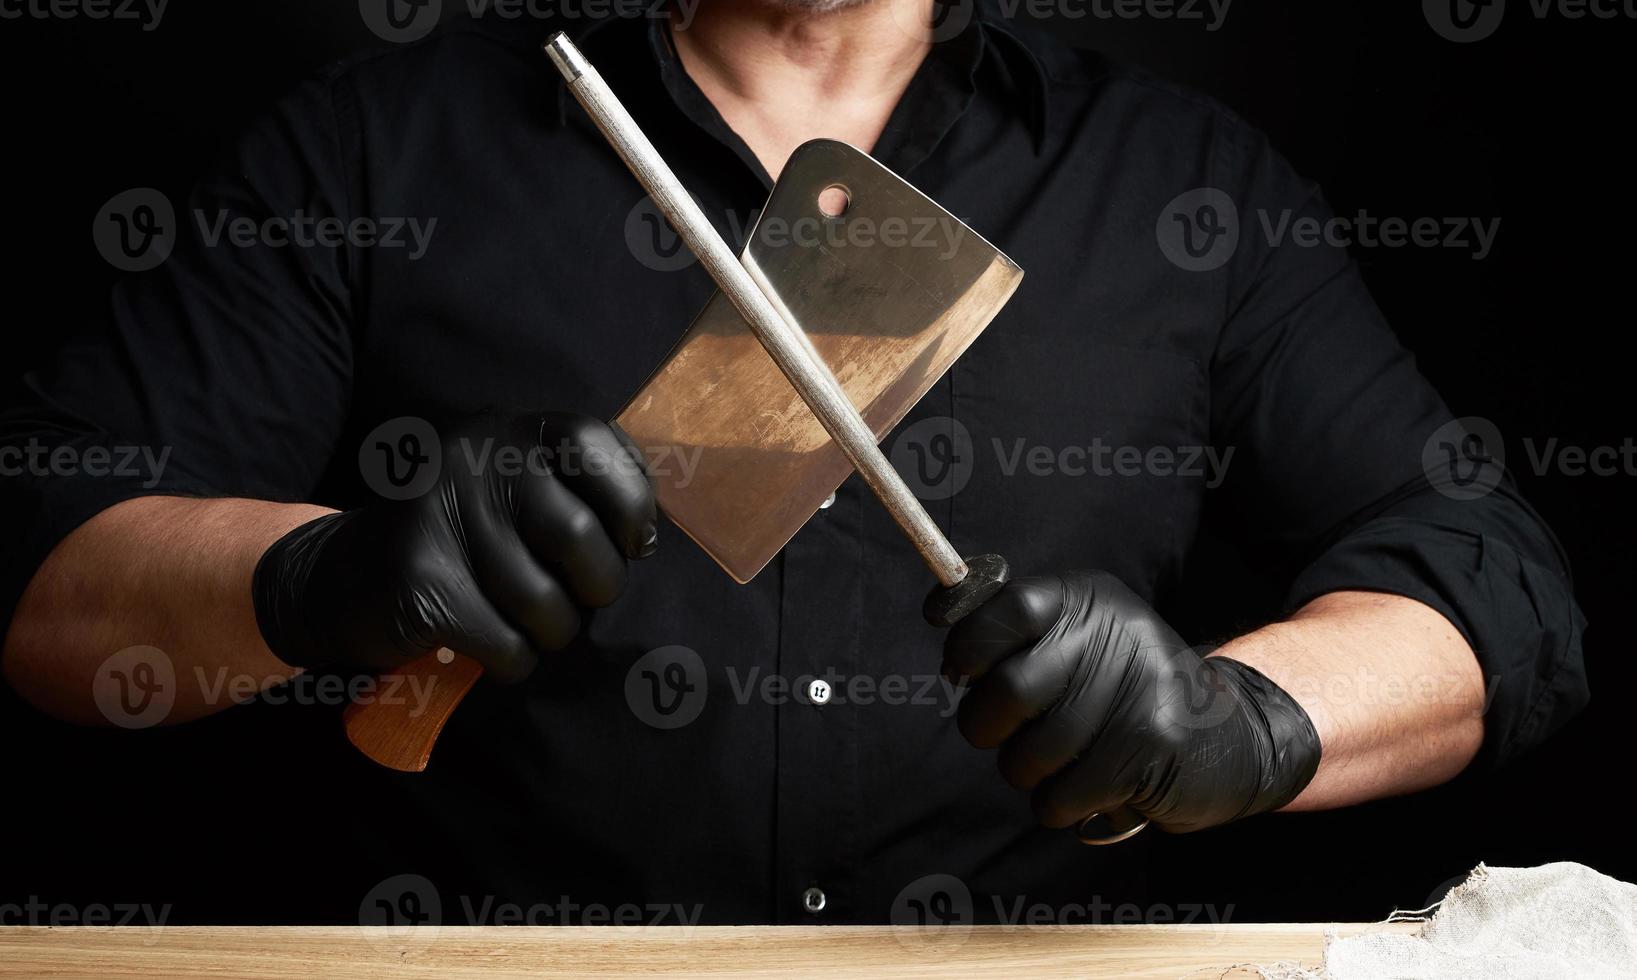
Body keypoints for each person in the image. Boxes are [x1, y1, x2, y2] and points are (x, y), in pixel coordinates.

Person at [0, 0, 1586, 923]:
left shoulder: (1179, 181)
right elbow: (44, 587)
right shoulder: (379, 144)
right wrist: (321, 577)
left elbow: (1493, 591)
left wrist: (1239, 722)